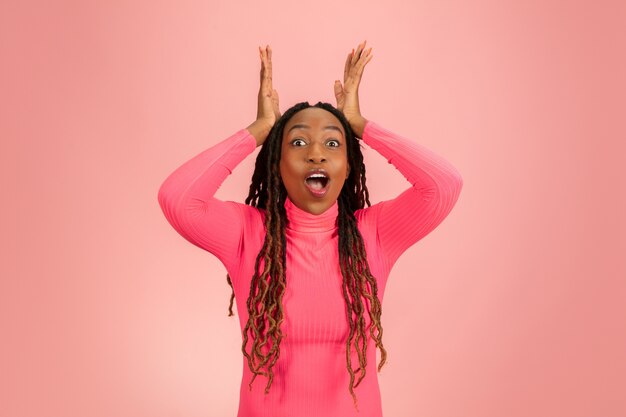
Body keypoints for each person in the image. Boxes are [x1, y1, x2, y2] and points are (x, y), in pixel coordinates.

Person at [157, 41, 463, 417]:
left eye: (333, 143)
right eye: (298, 142)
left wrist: (361, 126)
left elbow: (444, 185)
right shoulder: (246, 233)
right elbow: (177, 198)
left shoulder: (375, 234)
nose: (316, 153)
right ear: (277, 162)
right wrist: (259, 129)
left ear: (348, 167)